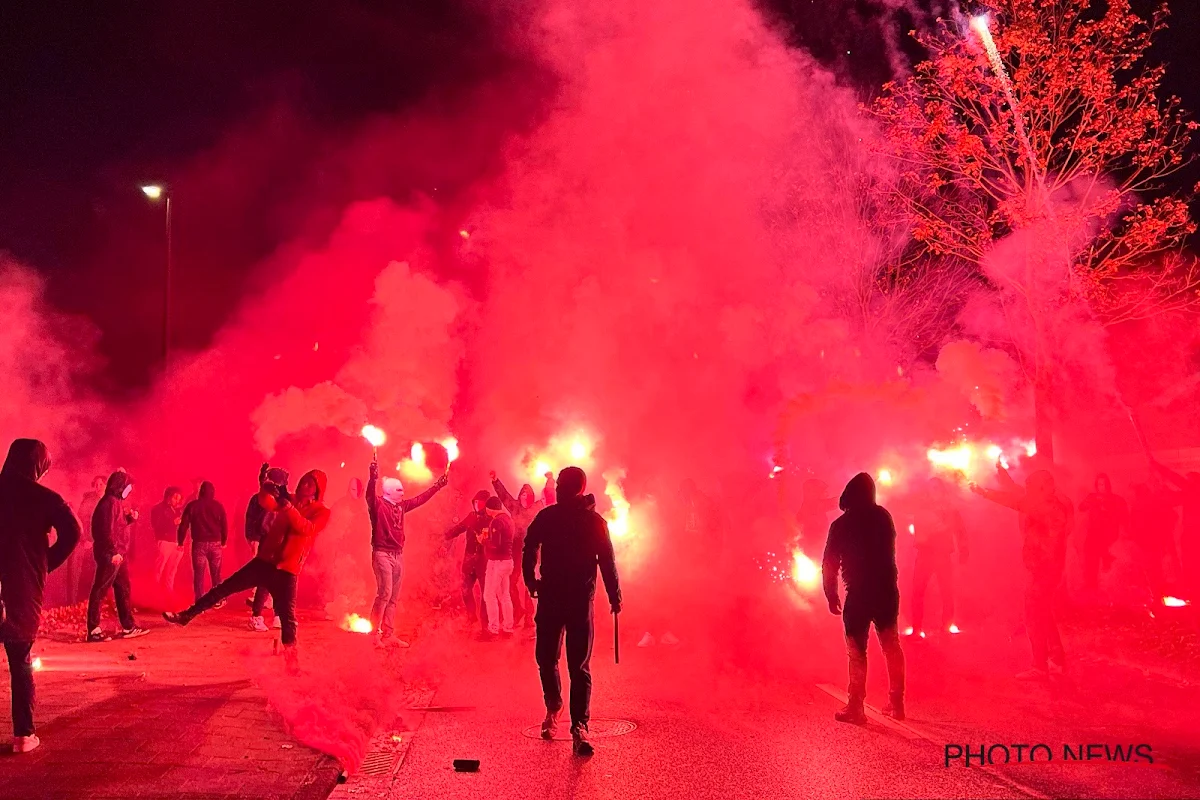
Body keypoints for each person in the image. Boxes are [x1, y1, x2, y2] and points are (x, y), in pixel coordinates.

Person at [165, 470, 330, 666]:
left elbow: (306, 528)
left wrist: (288, 508)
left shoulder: (321, 511)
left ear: (317, 490)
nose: (304, 486)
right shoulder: (290, 499)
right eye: (303, 482)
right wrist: (264, 487)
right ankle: (187, 615)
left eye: (310, 484)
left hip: (287, 568)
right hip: (265, 561)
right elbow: (266, 503)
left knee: (288, 617)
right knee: (224, 588)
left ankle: (291, 661)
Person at [523, 466, 621, 757]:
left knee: (559, 661)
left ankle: (575, 722)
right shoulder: (557, 517)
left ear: (568, 487)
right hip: (563, 597)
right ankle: (562, 711)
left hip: (569, 598)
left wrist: (532, 581)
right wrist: (614, 595)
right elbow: (607, 561)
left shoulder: (583, 520)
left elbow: (606, 559)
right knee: (561, 662)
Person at [0, 439, 81, 754]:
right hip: (21, 587)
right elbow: (73, 533)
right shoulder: (45, 498)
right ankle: (23, 735)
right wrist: (46, 563)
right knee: (20, 660)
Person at [971, 467, 1072, 680]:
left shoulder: (1049, 507)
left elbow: (1017, 501)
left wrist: (984, 493)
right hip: (1044, 568)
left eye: (1031, 487)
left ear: (1043, 487)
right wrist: (1001, 474)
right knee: (1043, 612)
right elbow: (1018, 495)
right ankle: (1056, 659)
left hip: (1044, 569)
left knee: (1034, 616)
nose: (1028, 491)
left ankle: (1040, 666)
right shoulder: (1047, 502)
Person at [822, 472, 905, 724]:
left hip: (858, 593)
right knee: (891, 645)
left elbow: (829, 562)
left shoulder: (841, 524)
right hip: (887, 590)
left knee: (857, 652)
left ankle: (855, 707)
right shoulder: (883, 517)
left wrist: (830, 593)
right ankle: (897, 702)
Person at [366, 458, 447, 647]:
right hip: (382, 553)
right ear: (388, 492)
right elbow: (369, 495)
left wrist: (438, 486)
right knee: (384, 593)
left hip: (397, 554)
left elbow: (420, 499)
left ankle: (388, 634)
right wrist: (372, 478)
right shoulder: (378, 505)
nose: (403, 493)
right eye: (399, 490)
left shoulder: (401, 506)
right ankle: (374, 635)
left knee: (393, 596)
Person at [87, 470, 149, 642]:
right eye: (128, 487)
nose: (129, 490)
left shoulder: (114, 503)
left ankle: (128, 626)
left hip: (118, 554)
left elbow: (117, 527)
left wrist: (130, 519)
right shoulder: (109, 504)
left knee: (123, 589)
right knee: (99, 590)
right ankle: (93, 630)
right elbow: (105, 532)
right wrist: (112, 552)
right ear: (120, 486)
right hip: (112, 555)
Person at [909, 478, 968, 636]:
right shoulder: (922, 507)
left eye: (936, 488)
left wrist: (963, 551)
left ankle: (946, 626)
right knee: (918, 591)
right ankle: (917, 628)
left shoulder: (951, 509)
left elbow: (960, 531)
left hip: (942, 555)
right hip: (925, 554)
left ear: (942, 490)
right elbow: (919, 529)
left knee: (946, 591)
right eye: (930, 488)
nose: (933, 491)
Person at [492, 472, 541, 627]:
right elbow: (504, 496)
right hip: (516, 550)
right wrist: (495, 480)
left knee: (529, 583)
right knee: (511, 581)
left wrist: (551, 481)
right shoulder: (515, 507)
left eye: (527, 495)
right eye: (522, 495)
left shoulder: (538, 508)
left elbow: (551, 497)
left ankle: (529, 616)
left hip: (532, 551)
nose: (524, 498)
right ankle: (518, 609)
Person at [246, 464, 288, 631]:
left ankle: (277, 616)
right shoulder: (262, 500)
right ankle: (257, 616)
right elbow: (254, 523)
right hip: (268, 544)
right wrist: (254, 540)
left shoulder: (280, 500)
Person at [446, 490, 493, 634]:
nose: (477, 505)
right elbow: (460, 527)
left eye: (480, 502)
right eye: (476, 502)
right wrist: (446, 535)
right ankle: (471, 617)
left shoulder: (491, 519)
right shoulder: (471, 516)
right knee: (465, 590)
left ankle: (485, 624)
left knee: (486, 593)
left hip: (484, 561)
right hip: (469, 560)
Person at [1152, 461, 1200, 597]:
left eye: (1188, 480)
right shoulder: (1191, 493)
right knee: (1190, 564)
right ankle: (1193, 592)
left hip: (1194, 534)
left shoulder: (1195, 490)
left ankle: (1194, 592)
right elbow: (1174, 499)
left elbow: (1175, 480)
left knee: (1192, 564)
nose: (1186, 483)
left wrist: (1158, 467)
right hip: (1191, 534)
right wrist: (1163, 491)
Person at [177, 481, 229, 604]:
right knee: (216, 573)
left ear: (200, 491)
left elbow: (184, 525)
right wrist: (223, 541)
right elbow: (224, 525)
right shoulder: (218, 506)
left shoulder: (192, 505)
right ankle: (218, 599)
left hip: (199, 544)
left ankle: (199, 602)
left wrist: (180, 541)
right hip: (215, 544)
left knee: (199, 574)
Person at [1078, 474, 1127, 592]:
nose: (1102, 487)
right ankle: (1091, 586)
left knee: (1107, 563)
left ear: (1108, 485)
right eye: (1100, 484)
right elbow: (1081, 507)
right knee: (1090, 561)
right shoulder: (1092, 497)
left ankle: (1108, 588)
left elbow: (1122, 516)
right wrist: (1090, 503)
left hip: (1108, 536)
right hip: (1093, 535)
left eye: (1104, 484)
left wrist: (1108, 509)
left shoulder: (1115, 499)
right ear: (1097, 486)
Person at [481, 496, 516, 639]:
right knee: (504, 595)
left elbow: (495, 544)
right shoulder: (508, 519)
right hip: (508, 561)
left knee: (489, 595)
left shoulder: (496, 521)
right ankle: (508, 628)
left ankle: (493, 629)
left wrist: (483, 540)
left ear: (490, 509)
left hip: (498, 562)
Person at [151, 486, 185, 594]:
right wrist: (172, 523)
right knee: (159, 569)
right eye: (175, 498)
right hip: (164, 542)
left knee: (172, 570)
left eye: (179, 499)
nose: (177, 501)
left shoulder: (177, 510)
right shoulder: (158, 509)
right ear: (168, 496)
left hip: (176, 543)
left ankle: (168, 592)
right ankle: (154, 592)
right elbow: (156, 525)